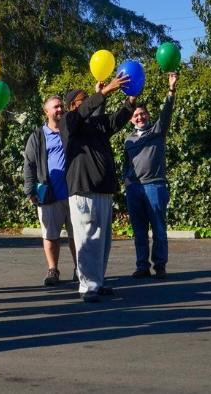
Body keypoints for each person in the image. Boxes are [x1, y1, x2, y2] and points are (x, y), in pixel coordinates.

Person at [61, 73, 132, 303]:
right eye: (84, 98)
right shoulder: (69, 123)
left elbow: (116, 121)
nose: (88, 101)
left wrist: (131, 101)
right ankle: (87, 286)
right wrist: (102, 93)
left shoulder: (95, 124)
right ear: (73, 104)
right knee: (87, 238)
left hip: (103, 189)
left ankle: (97, 282)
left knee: (103, 240)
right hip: (83, 189)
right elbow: (82, 113)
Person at [123, 72, 178, 280]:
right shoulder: (128, 140)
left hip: (155, 186)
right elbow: (126, 165)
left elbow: (166, 113)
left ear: (148, 115)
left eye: (143, 114)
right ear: (131, 119)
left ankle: (160, 265)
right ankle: (142, 265)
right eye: (136, 115)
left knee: (158, 229)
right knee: (139, 231)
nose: (140, 117)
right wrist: (127, 182)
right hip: (134, 189)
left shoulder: (157, 131)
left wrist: (171, 90)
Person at [23, 95, 77, 286]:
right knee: (50, 235)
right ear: (46, 112)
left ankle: (79, 269)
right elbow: (29, 164)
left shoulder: (70, 131)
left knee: (76, 235)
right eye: (55, 107)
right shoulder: (37, 136)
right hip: (49, 194)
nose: (60, 109)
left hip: (74, 193)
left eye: (61, 106)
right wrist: (30, 190)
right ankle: (53, 270)